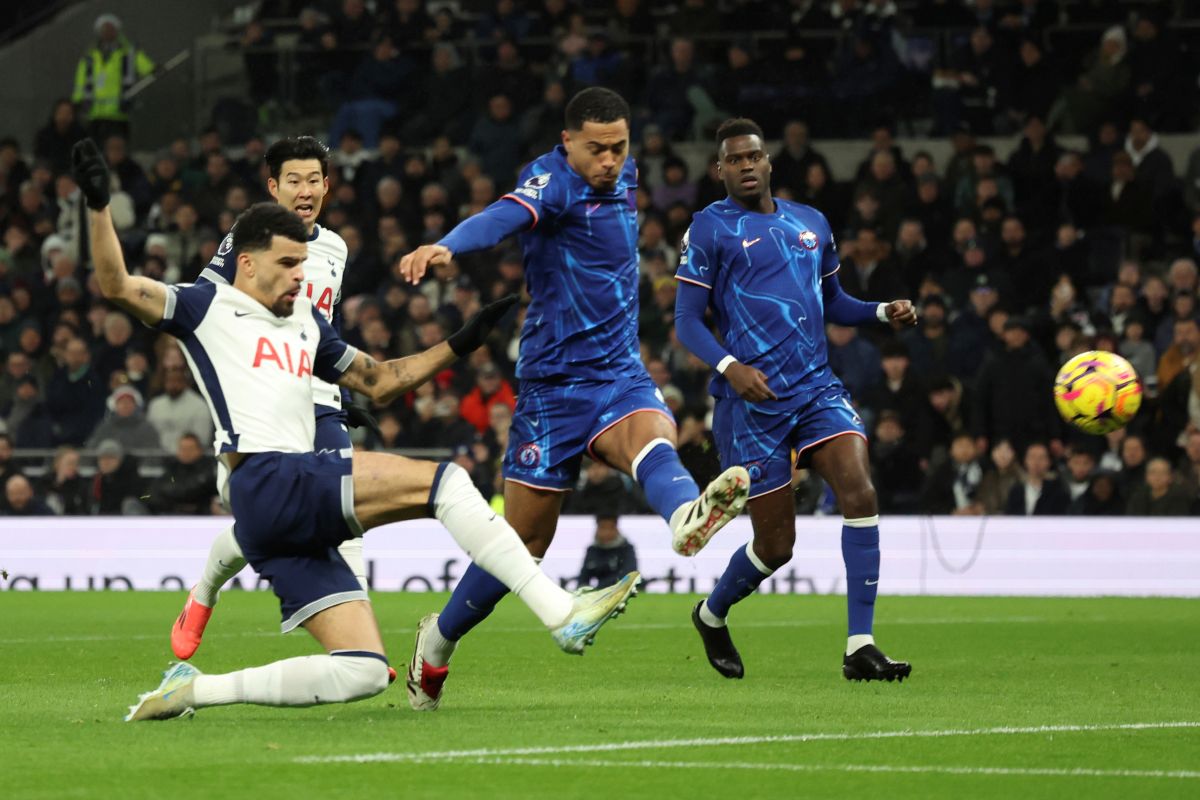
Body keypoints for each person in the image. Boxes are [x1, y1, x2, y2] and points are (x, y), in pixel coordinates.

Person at [71, 141, 639, 722]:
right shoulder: (205, 304)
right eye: (288, 265)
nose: (302, 276)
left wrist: (458, 344)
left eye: (303, 264)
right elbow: (117, 285)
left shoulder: (306, 322)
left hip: (284, 503)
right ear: (245, 262)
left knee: (362, 672)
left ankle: (193, 689)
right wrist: (97, 205)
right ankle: (560, 612)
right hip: (268, 476)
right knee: (446, 484)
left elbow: (382, 381)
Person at [397, 88, 749, 711]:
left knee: (654, 431)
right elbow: (500, 217)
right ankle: (437, 642)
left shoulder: (626, 171)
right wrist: (449, 244)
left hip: (617, 371)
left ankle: (683, 517)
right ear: (568, 143)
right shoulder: (552, 181)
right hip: (551, 388)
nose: (610, 160)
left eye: (619, 147)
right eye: (596, 149)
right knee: (525, 544)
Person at [673, 118, 916, 683]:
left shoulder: (811, 223)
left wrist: (882, 312)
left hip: (815, 388)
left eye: (754, 155)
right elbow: (686, 321)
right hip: (752, 403)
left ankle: (861, 646)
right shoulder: (709, 229)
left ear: (768, 161)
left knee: (860, 491)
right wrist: (732, 370)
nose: (746, 165)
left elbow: (833, 300)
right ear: (720, 170)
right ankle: (711, 614)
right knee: (777, 546)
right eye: (734, 159)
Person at [171, 137, 382, 663]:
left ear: (327, 186)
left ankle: (357, 646)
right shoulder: (244, 244)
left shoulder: (335, 249)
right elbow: (205, 310)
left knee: (348, 512)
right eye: (293, 180)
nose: (304, 190)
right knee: (264, 523)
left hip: (319, 400)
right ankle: (203, 592)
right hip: (263, 398)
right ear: (273, 187)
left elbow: (323, 325)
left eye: (314, 180)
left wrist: (336, 379)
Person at [70, 14, 156, 143]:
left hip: (119, 113)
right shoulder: (90, 56)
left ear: (117, 31)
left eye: (111, 28)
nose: (107, 32)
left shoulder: (128, 53)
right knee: (95, 151)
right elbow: (80, 82)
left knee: (116, 150)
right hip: (95, 114)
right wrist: (76, 101)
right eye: (104, 29)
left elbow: (144, 64)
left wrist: (153, 69)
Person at [578, 515, 638, 589]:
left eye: (611, 528)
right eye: (602, 528)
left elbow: (629, 574)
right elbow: (584, 577)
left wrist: (601, 587)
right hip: (600, 593)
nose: (606, 532)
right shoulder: (592, 550)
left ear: (616, 529)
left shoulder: (626, 548)